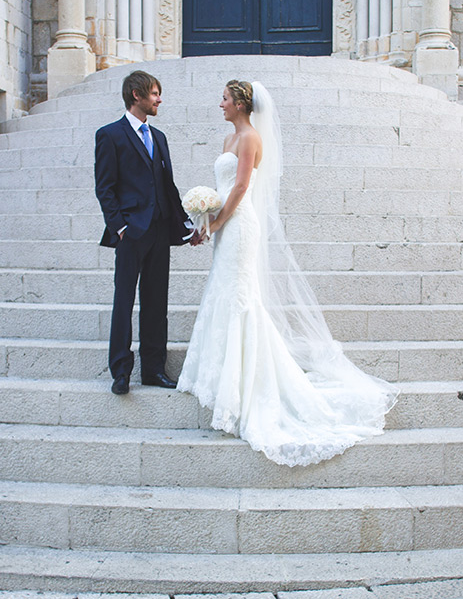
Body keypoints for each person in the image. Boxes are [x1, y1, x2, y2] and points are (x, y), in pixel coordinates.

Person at [177, 80, 397, 465]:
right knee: (224, 292)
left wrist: (216, 223)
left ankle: (246, 383)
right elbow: (223, 186)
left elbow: (242, 186)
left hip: (240, 225)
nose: (220, 104)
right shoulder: (229, 139)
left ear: (242, 103)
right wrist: (204, 220)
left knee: (241, 297)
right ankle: (218, 376)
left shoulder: (249, 139)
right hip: (223, 227)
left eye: (225, 99)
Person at [94, 70, 203, 396]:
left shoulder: (160, 137)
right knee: (124, 301)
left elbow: (167, 187)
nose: (159, 99)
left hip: (158, 231)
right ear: (136, 95)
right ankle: (121, 371)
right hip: (131, 233)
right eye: (154, 93)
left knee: (157, 302)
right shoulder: (109, 135)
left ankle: (154, 369)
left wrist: (186, 226)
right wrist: (120, 227)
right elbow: (105, 188)